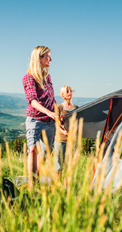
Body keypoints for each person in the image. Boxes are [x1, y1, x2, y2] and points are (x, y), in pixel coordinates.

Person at [23, 46, 56, 186]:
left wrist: (57, 113)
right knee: (32, 150)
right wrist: (48, 112)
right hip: (35, 120)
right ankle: (32, 185)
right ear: (39, 58)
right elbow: (33, 101)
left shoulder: (47, 77)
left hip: (50, 122)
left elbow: (51, 99)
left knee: (46, 154)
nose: (50, 59)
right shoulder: (28, 78)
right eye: (47, 56)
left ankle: (38, 180)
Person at [54, 85, 79, 176]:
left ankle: (67, 186)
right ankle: (58, 185)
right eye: (67, 91)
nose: (70, 93)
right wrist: (63, 132)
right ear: (63, 95)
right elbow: (56, 124)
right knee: (58, 162)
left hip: (72, 140)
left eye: (71, 91)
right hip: (60, 139)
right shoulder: (59, 107)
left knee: (69, 163)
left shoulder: (77, 108)